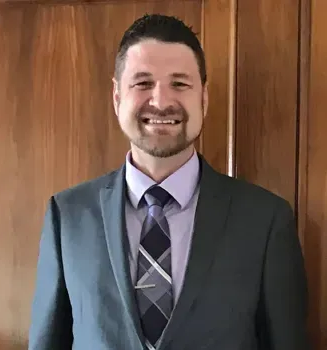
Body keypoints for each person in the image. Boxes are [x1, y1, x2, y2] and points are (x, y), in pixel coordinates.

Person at [28, 14, 309, 350]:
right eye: (143, 83)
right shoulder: (67, 215)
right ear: (117, 97)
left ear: (203, 97)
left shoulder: (266, 220)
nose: (161, 102)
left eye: (179, 83)